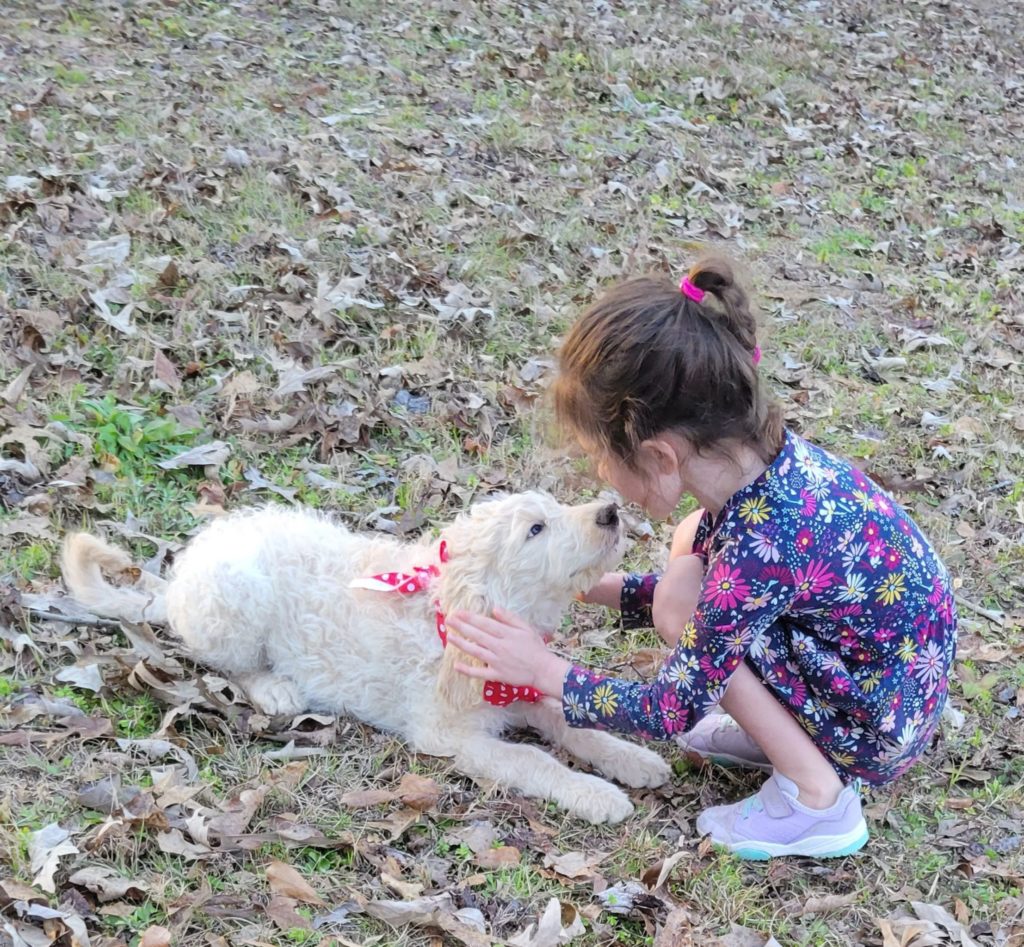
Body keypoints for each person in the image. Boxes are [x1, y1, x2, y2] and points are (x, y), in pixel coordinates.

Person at [446, 257, 957, 859]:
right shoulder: (765, 473)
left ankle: (817, 795)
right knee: (690, 565)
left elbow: (671, 706)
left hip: (873, 727)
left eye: (600, 458)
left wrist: (543, 671)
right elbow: (740, 605)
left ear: (661, 457)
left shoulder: (761, 543)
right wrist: (590, 585)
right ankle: (785, 738)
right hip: (886, 687)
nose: (600, 477)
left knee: (682, 603)